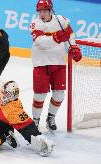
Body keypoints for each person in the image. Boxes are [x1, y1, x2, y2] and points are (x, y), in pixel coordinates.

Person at [30, 0, 82, 131]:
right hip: (41, 63)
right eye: (39, 11)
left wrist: (73, 47)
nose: (41, 14)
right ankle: (35, 121)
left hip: (58, 62)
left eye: (44, 11)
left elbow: (70, 35)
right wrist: (58, 37)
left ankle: (51, 117)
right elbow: (41, 42)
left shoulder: (61, 20)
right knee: (39, 95)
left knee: (59, 95)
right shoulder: (35, 23)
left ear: (50, 10)